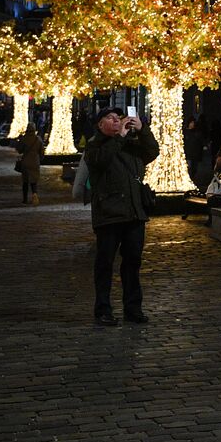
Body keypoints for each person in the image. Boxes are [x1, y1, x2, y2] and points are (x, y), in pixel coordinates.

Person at [84, 106, 160, 327]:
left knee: (132, 262)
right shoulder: (95, 145)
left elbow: (152, 151)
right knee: (105, 264)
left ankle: (133, 308)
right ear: (100, 125)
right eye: (111, 118)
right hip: (109, 214)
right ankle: (103, 309)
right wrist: (119, 137)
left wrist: (143, 130)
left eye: (119, 118)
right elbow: (101, 160)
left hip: (134, 213)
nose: (117, 121)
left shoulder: (130, 144)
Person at [17, 125, 46, 206]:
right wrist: (41, 158)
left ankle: (25, 199)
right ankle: (35, 195)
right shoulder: (38, 139)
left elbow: (19, 150)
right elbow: (42, 152)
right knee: (34, 181)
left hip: (26, 162)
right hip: (35, 162)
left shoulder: (24, 139)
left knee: (25, 181)